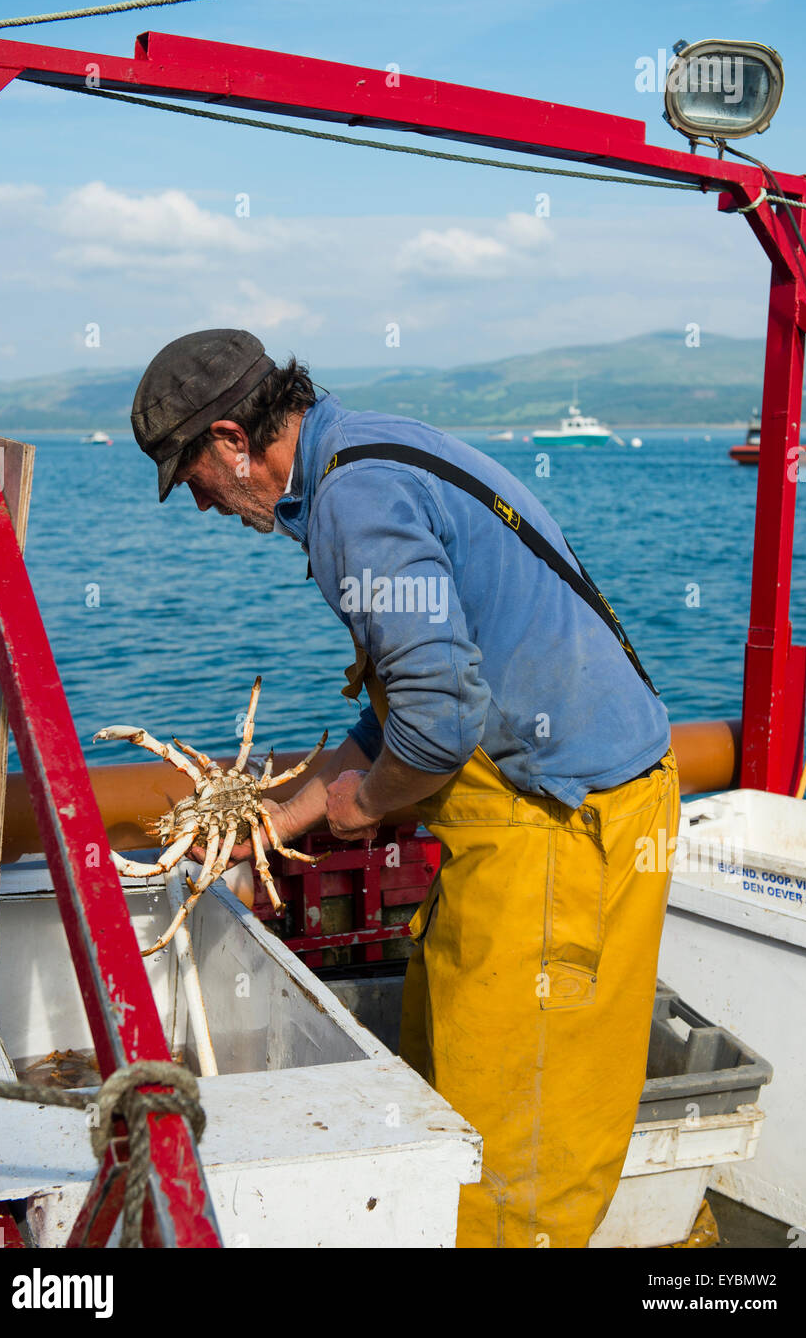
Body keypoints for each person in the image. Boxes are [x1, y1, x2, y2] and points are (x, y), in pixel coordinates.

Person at [131, 327, 681, 1249]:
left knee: (510, 1169)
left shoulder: (356, 500)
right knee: (450, 1111)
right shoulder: (372, 448)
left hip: (555, 838)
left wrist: (362, 805)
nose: (202, 507)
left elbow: (436, 725)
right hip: (533, 826)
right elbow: (412, 709)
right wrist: (283, 812)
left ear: (232, 439)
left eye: (192, 480)